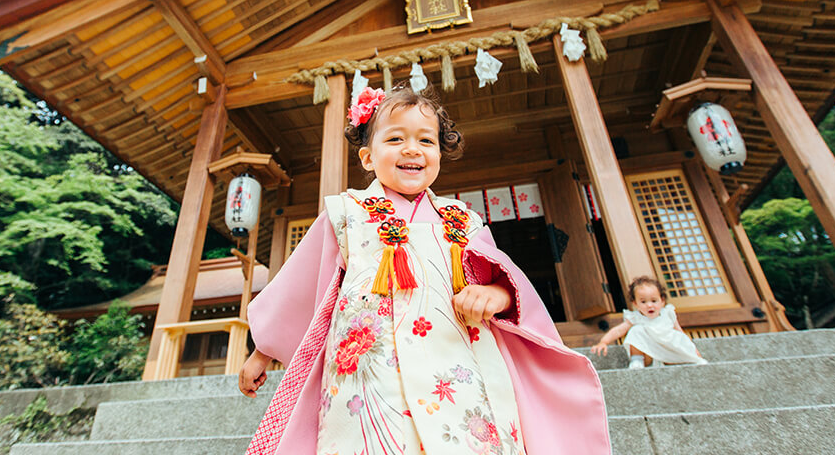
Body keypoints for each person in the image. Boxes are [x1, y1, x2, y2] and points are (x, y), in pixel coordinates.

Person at [239, 85, 611, 455]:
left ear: (439, 153)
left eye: (426, 141)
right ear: (368, 157)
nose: (412, 149)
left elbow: (500, 281)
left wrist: (493, 295)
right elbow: (302, 286)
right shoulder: (346, 213)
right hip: (369, 372)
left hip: (456, 366)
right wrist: (264, 349)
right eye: (395, 138)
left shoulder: (463, 220)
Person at [590, 276, 708, 368]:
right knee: (636, 330)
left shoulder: (668, 313)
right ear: (635, 304)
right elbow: (619, 330)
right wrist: (604, 342)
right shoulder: (636, 317)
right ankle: (637, 360)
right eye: (643, 302)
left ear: (662, 301)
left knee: (678, 338)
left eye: (654, 301)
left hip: (669, 347)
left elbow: (681, 333)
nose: (649, 305)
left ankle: (692, 360)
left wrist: (696, 353)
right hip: (649, 354)